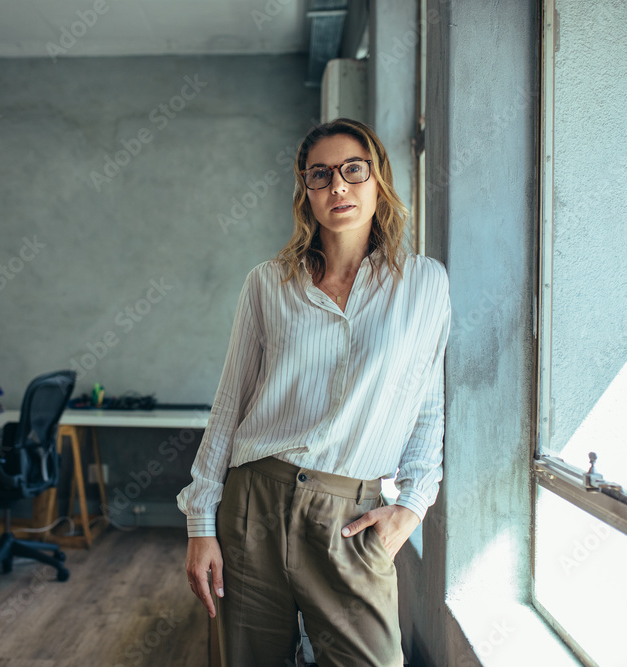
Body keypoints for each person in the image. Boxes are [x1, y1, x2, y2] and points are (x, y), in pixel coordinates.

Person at [176, 117, 451, 666]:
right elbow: (229, 407)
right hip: (253, 501)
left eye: (354, 170)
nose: (339, 187)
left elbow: (426, 406)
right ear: (306, 192)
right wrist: (200, 525)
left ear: (379, 180)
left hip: (350, 515)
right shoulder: (267, 283)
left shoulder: (423, 284)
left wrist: (414, 506)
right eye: (320, 176)